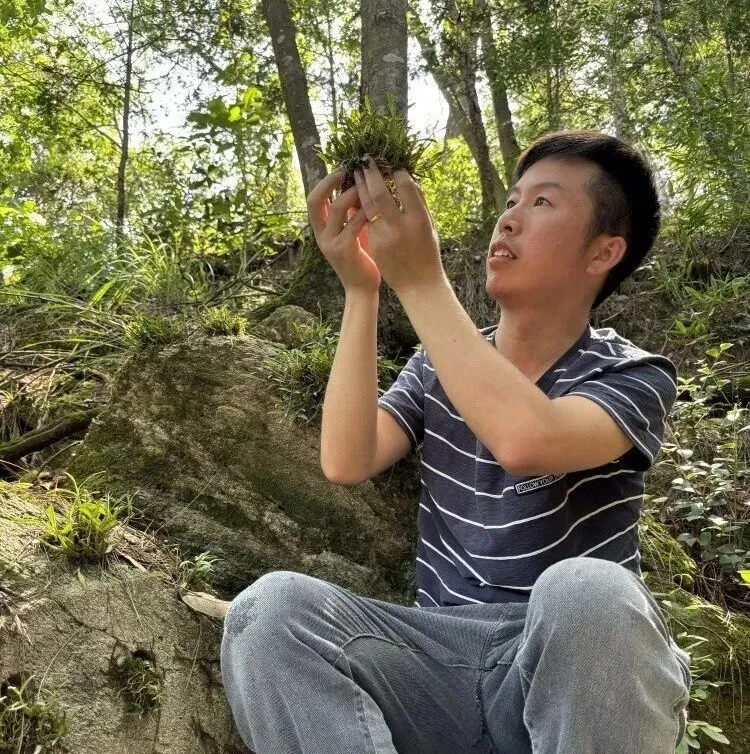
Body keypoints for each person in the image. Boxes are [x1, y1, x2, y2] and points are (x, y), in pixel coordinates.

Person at [220, 130, 693, 754]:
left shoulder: (631, 375)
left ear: (604, 252)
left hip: (567, 668)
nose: (510, 220)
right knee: (271, 611)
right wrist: (363, 289)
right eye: (511, 201)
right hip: (436, 662)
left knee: (588, 592)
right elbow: (346, 458)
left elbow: (527, 438)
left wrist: (420, 282)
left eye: (542, 204)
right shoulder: (435, 364)